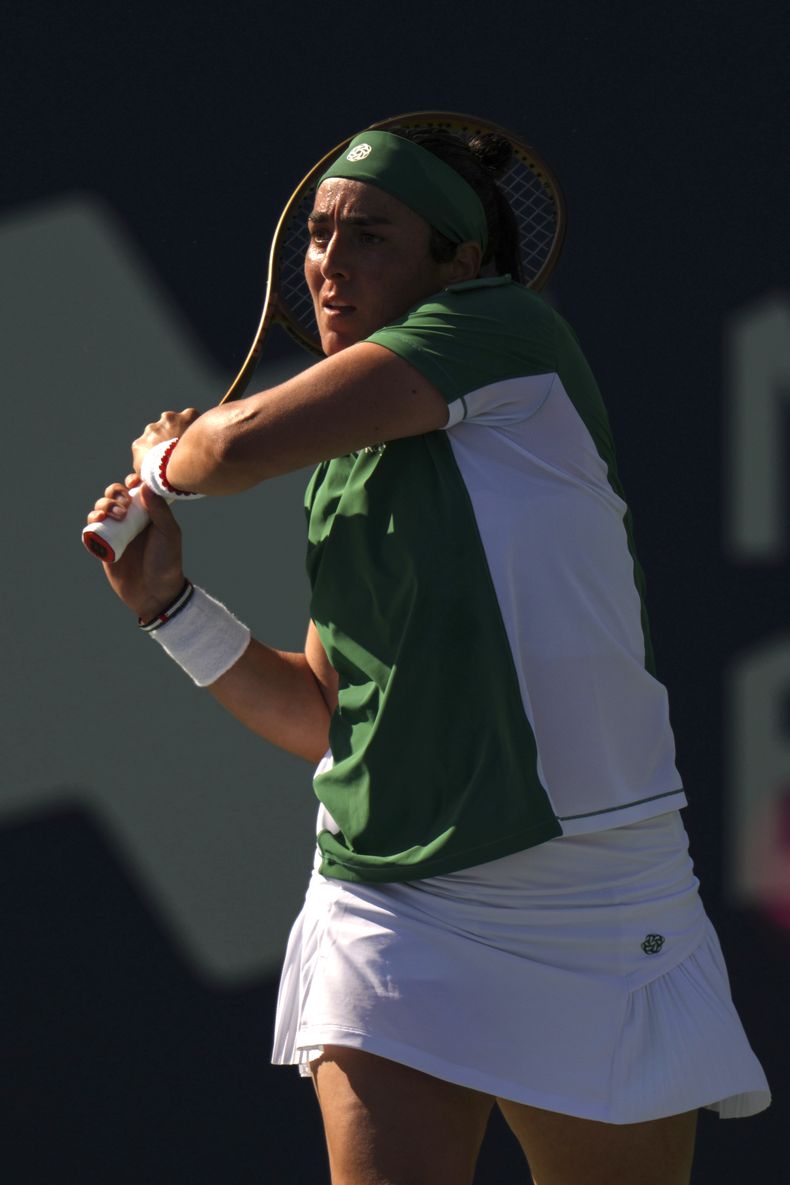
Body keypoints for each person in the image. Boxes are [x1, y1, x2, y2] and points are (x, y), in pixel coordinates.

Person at [87, 125, 770, 1185]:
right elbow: (329, 716)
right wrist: (171, 607)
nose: (330, 261)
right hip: (386, 904)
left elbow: (233, 450)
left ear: (458, 262)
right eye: (318, 235)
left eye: (372, 236)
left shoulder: (504, 331)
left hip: (587, 896)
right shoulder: (348, 465)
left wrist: (164, 458)